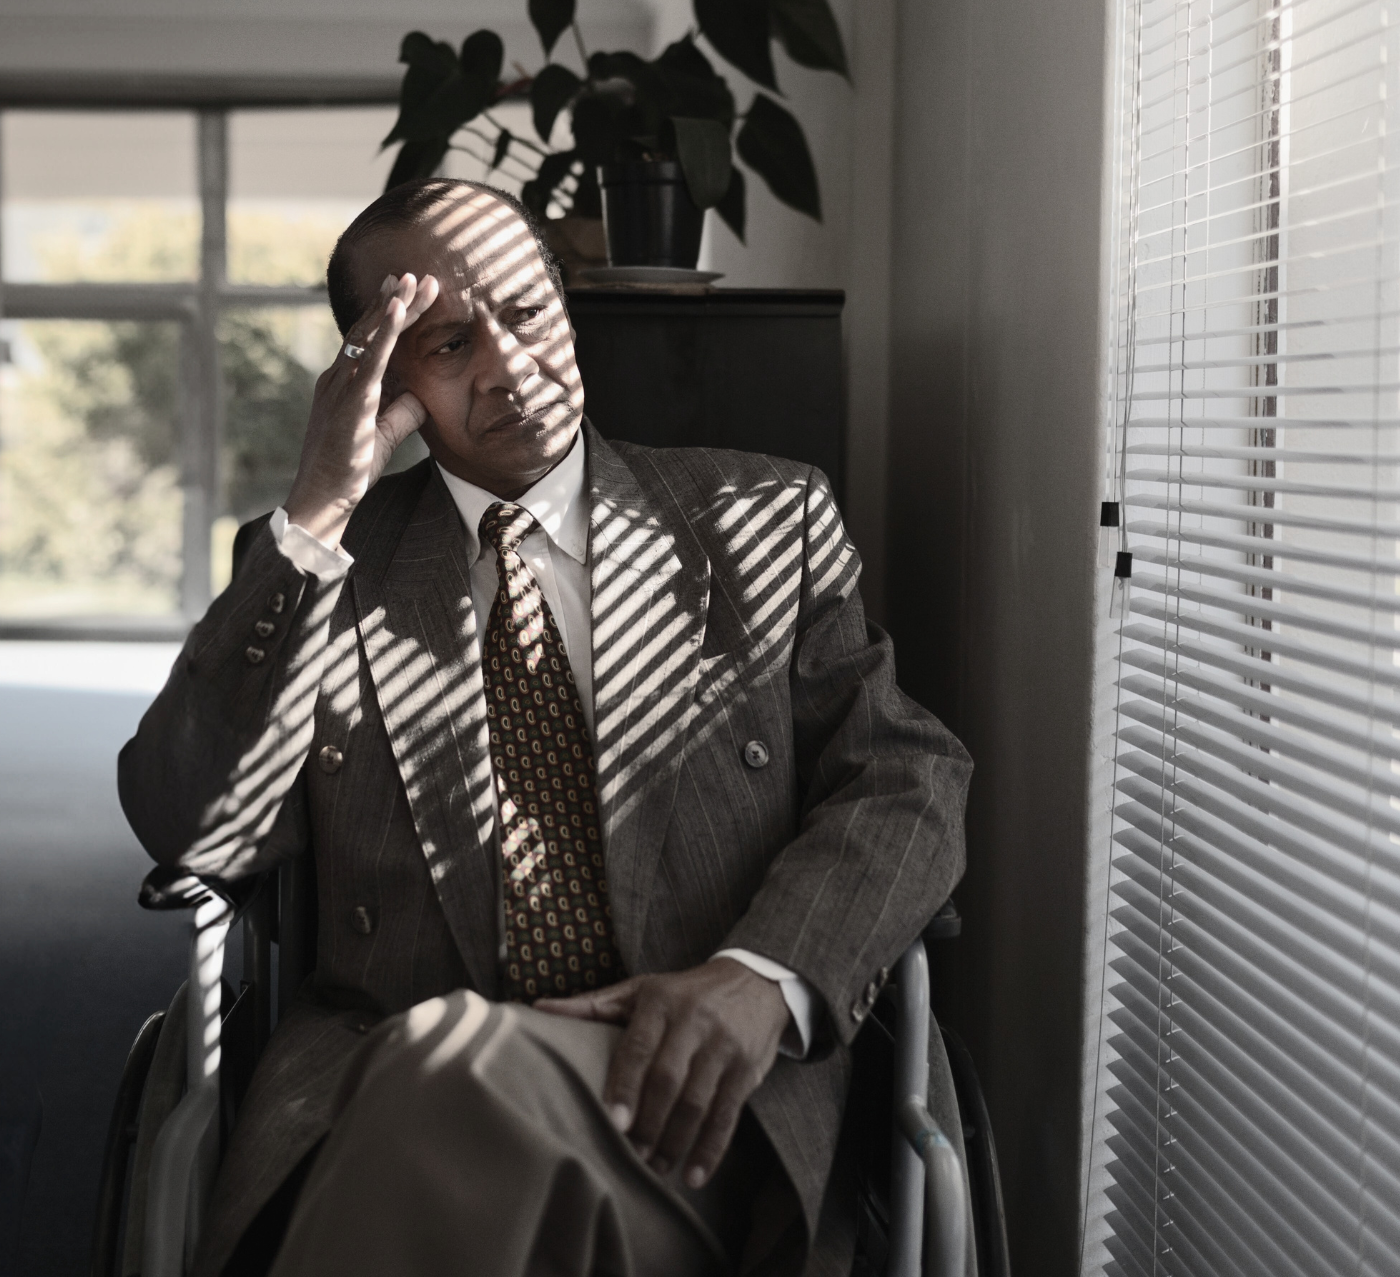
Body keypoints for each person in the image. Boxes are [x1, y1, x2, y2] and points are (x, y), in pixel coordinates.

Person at [119, 178, 970, 1277]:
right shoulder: (321, 570)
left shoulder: (761, 523)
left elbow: (909, 775)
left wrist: (762, 977)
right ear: (380, 382)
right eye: (448, 343)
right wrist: (320, 509)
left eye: (526, 313)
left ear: (565, 305)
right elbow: (192, 828)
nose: (508, 367)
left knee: (449, 1077)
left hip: (696, 1100)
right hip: (381, 1087)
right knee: (446, 1069)